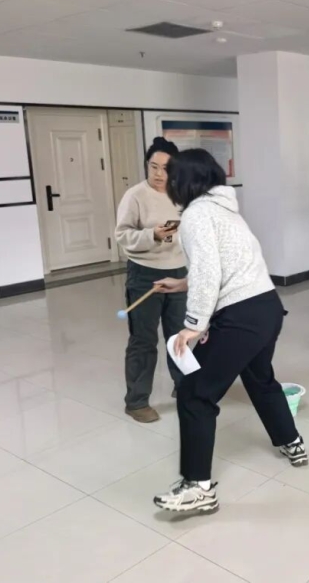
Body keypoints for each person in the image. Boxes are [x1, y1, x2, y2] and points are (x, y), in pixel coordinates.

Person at [152, 149, 306, 515]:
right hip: (266, 307)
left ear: (184, 181)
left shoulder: (196, 214)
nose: (167, 182)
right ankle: (291, 441)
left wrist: (192, 326)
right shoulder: (225, 209)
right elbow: (226, 266)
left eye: (171, 176)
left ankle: (198, 487)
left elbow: (209, 272)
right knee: (259, 378)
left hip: (241, 315)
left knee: (194, 393)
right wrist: (182, 284)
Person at [115, 137, 185, 424]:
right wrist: (151, 235)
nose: (158, 174)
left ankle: (185, 387)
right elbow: (122, 235)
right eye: (153, 166)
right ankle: (136, 402)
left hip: (179, 272)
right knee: (143, 340)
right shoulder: (135, 195)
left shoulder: (182, 193)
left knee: (180, 336)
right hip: (145, 274)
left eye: (166, 168)